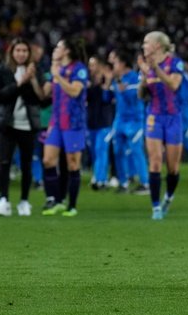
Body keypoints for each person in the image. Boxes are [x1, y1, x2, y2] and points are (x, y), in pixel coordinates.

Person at [0, 38, 46, 216]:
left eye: (24, 50)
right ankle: (4, 200)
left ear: (28, 53)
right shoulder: (4, 70)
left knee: (27, 164)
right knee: (4, 162)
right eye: (18, 50)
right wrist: (20, 83)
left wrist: (33, 80)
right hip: (7, 123)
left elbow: (43, 99)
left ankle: (24, 201)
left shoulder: (36, 71)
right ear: (12, 53)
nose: (21, 54)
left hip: (28, 124)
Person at [137, 31, 184, 220]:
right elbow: (141, 95)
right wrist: (142, 79)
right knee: (155, 161)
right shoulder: (145, 66)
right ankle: (155, 206)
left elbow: (173, 85)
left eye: (146, 42)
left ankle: (169, 197)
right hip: (154, 116)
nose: (143, 46)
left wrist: (155, 69)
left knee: (172, 168)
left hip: (173, 117)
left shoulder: (175, 63)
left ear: (157, 45)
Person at [41, 37, 88, 217]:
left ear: (67, 50)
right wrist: (52, 70)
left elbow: (75, 91)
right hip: (56, 122)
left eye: (59, 46)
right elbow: (46, 93)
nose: (56, 49)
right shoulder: (56, 68)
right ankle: (56, 201)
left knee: (72, 163)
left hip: (73, 123)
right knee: (48, 160)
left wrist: (58, 76)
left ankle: (72, 206)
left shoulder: (79, 69)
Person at [106, 49, 149, 195]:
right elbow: (109, 98)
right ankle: (123, 183)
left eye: (116, 62)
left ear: (123, 63)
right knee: (118, 152)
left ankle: (145, 183)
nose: (113, 65)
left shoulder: (135, 78)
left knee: (137, 151)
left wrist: (124, 90)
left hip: (134, 120)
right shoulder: (116, 79)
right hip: (119, 120)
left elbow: (136, 98)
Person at [86, 55, 113, 191]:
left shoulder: (107, 82)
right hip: (91, 122)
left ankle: (100, 180)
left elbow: (107, 100)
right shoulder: (87, 82)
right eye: (90, 65)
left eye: (94, 64)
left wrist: (106, 84)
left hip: (104, 122)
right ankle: (99, 176)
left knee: (101, 150)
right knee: (94, 153)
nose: (91, 68)